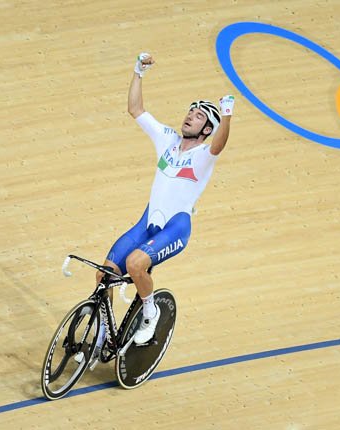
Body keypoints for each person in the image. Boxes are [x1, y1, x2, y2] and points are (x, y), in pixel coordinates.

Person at [95, 52, 235, 348]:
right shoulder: (168, 139)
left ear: (206, 129)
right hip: (147, 224)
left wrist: (227, 116)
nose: (189, 116)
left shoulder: (203, 156)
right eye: (190, 112)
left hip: (175, 228)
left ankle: (150, 313)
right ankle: (102, 336)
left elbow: (220, 144)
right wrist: (138, 72)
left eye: (198, 116)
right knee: (103, 273)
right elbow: (135, 109)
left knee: (135, 264)